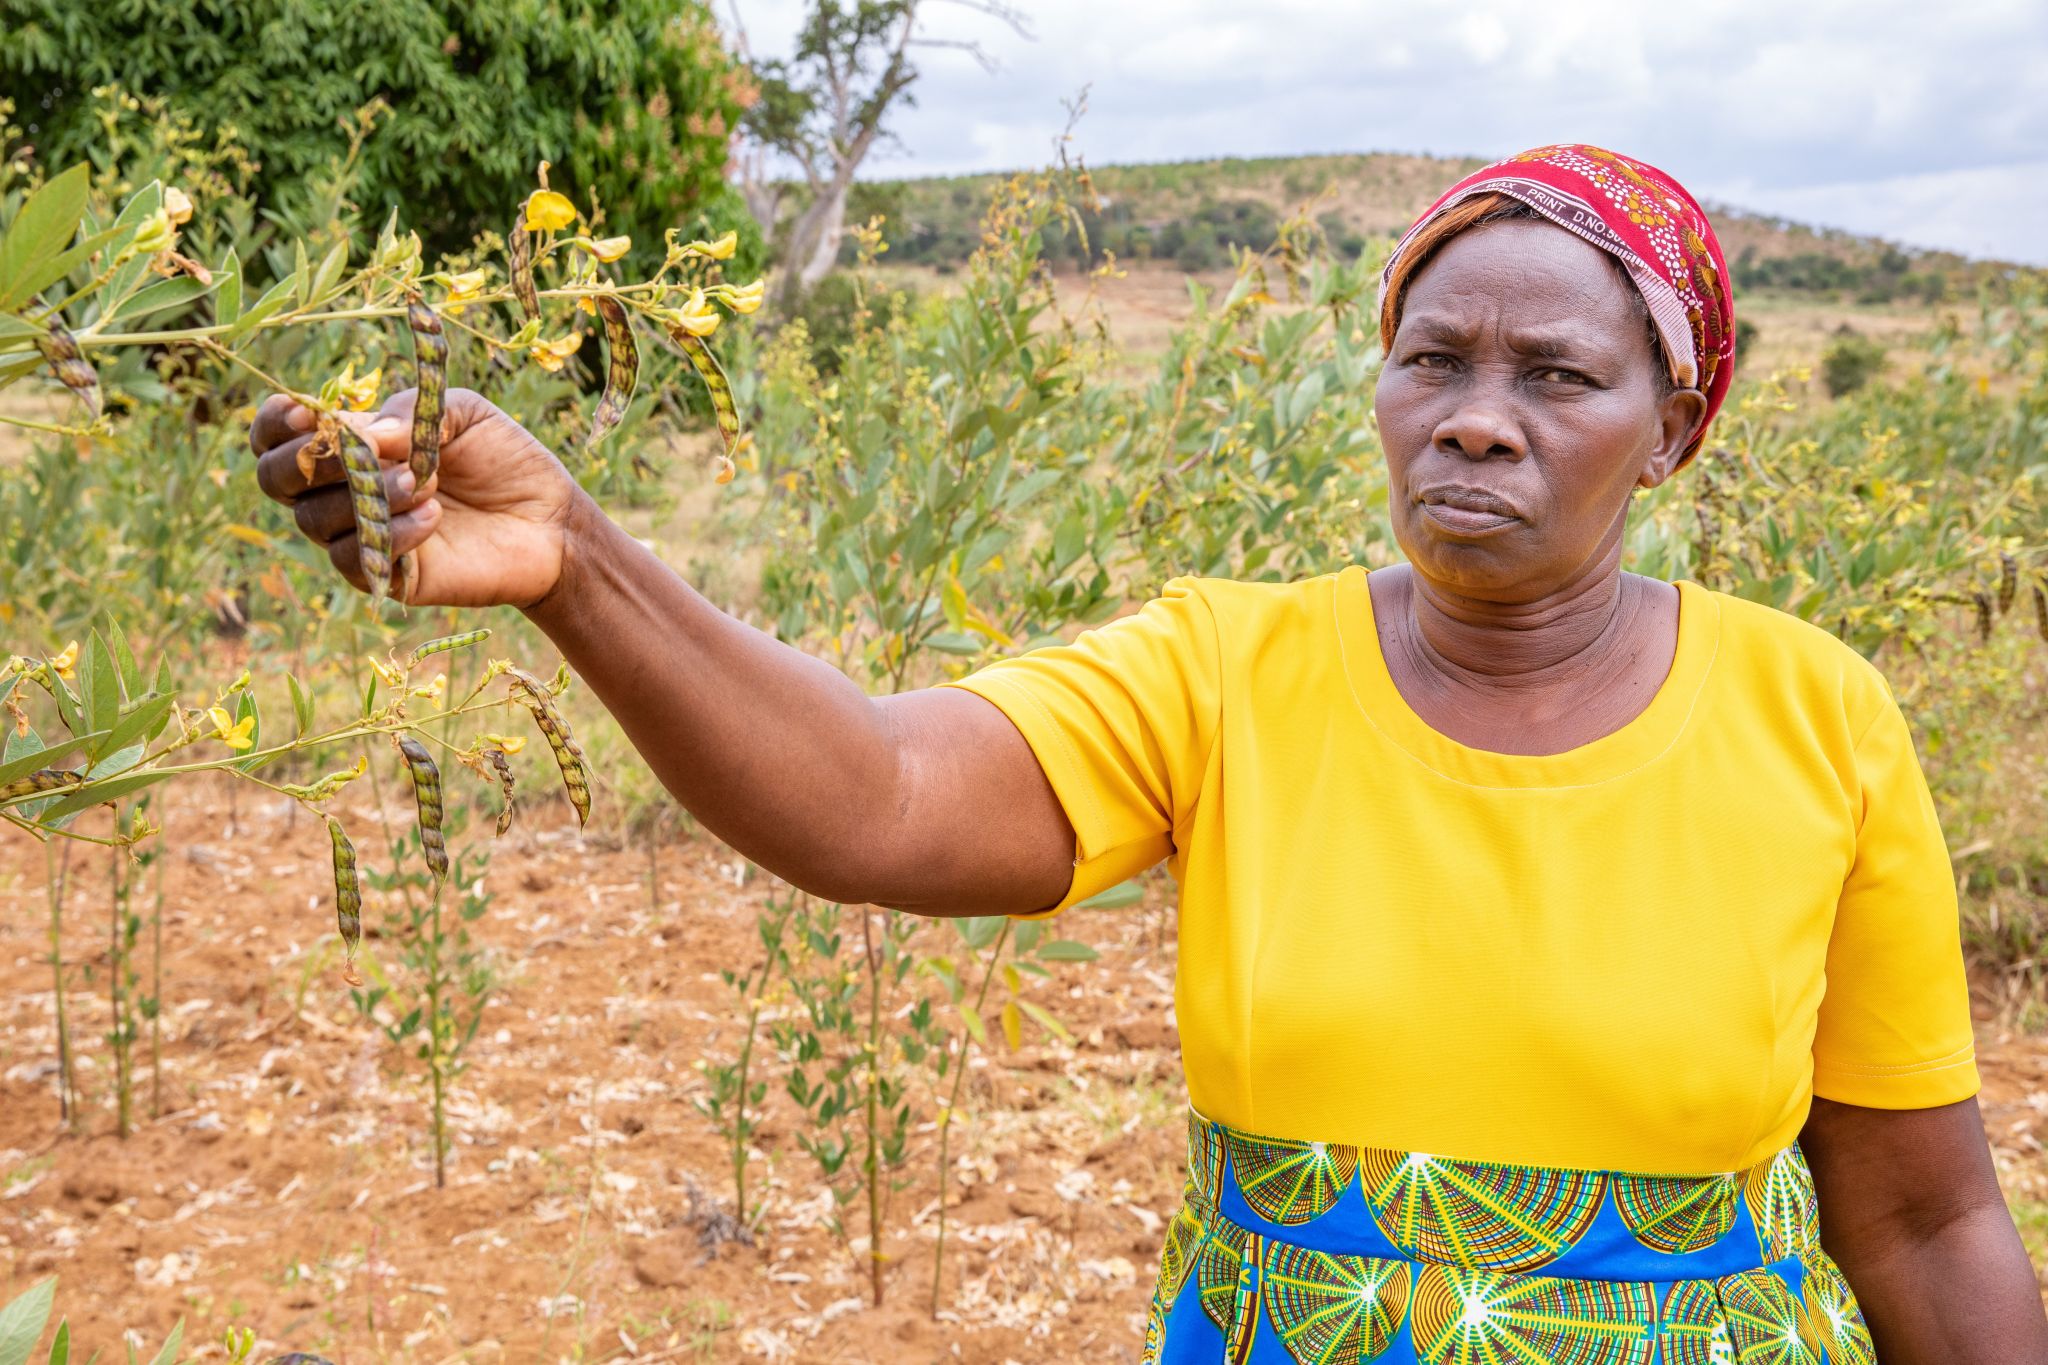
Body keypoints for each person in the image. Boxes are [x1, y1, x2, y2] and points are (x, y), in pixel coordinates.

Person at [250, 144, 2047, 1362]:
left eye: (1559, 378)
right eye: (1434, 358)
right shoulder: (1228, 673)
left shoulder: (1814, 718)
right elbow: (871, 793)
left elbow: (1926, 1221)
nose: (1477, 421)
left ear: (1672, 426)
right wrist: (579, 563)